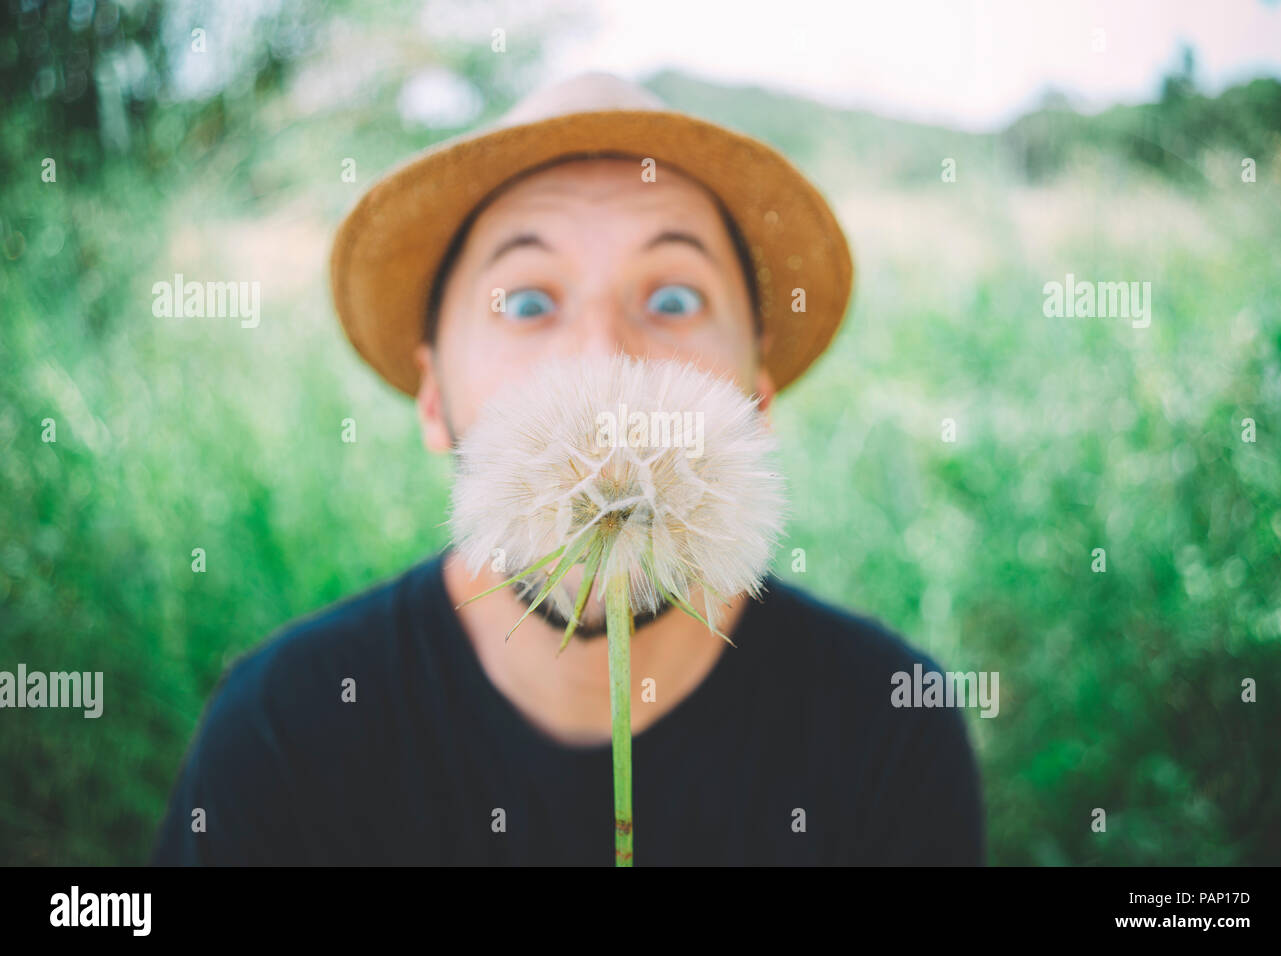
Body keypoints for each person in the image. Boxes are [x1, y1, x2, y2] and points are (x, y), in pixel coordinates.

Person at [151, 71, 984, 865]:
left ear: (756, 405)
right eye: (526, 302)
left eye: (673, 299)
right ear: (435, 399)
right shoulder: (283, 733)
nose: (601, 356)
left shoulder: (889, 723)